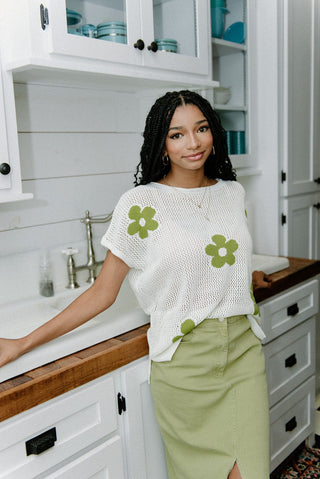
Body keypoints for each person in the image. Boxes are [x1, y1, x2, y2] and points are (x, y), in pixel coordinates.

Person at [0, 90, 272, 479]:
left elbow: (217, 256)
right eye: (177, 134)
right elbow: (102, 293)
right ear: (161, 144)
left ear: (214, 134)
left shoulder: (232, 192)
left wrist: (247, 278)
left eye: (201, 129)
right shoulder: (140, 204)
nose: (192, 143)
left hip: (244, 354)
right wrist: (23, 343)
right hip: (185, 365)